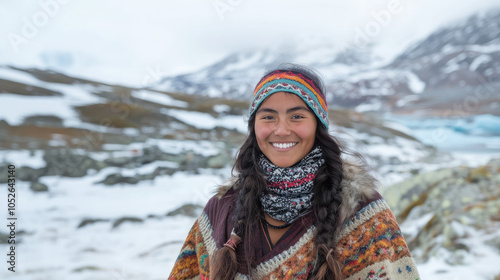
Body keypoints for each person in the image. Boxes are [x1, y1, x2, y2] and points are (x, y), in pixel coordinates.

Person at [168, 63, 420, 280]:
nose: (281, 130)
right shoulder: (219, 210)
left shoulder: (362, 213)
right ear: (254, 127)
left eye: (297, 116)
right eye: (268, 117)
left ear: (318, 125)